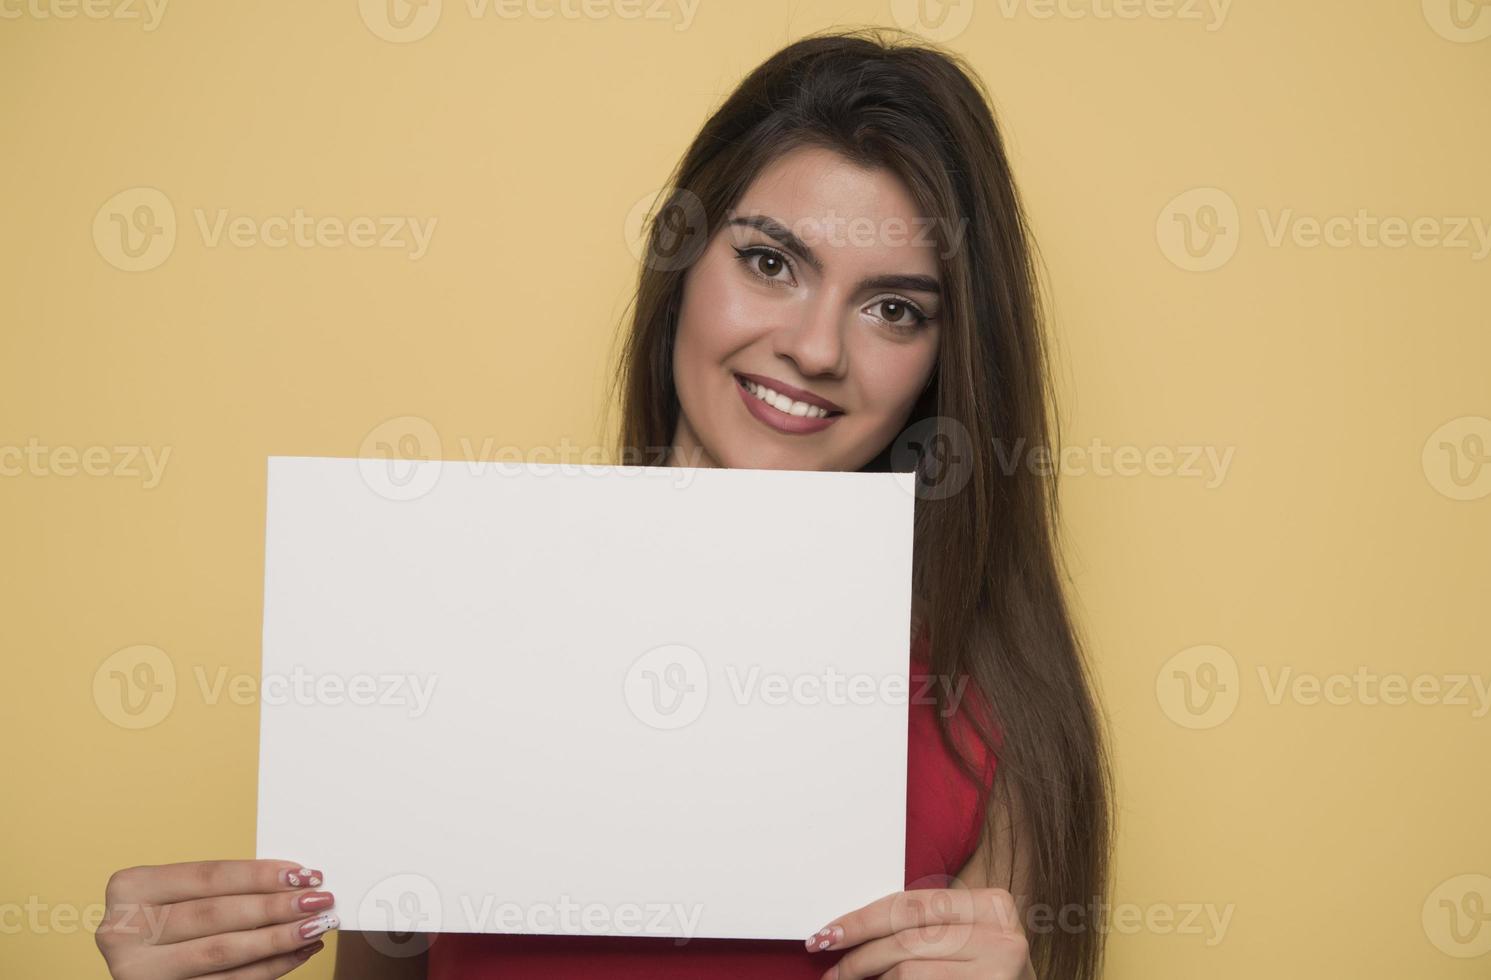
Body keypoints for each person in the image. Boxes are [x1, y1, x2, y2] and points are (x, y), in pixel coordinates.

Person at [95, 27, 1112, 980]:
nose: (815, 347)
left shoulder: (985, 703)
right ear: (682, 264)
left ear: (944, 357)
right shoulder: (444, 609)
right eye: (769, 261)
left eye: (893, 308)